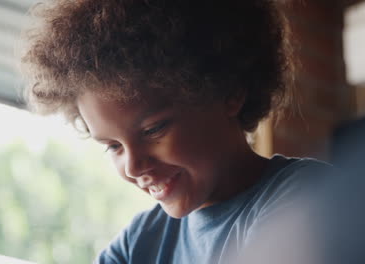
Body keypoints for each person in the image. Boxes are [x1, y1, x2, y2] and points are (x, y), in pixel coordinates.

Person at [20, 0, 329, 263]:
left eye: (153, 129)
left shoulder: (304, 200)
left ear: (229, 91)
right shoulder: (138, 244)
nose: (133, 166)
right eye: (113, 146)